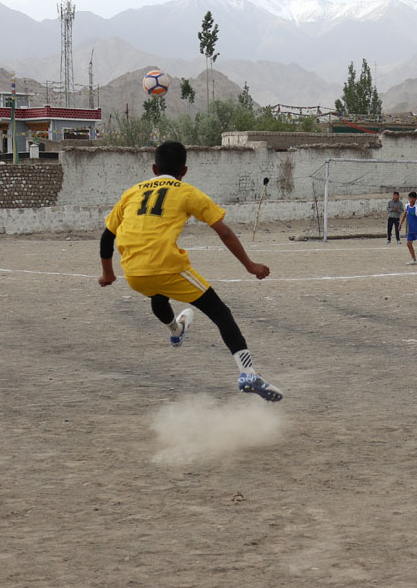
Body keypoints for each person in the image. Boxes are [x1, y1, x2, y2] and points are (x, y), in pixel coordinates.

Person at [98, 141, 283, 402]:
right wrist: (250, 266)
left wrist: (108, 274)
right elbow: (225, 232)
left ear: (154, 168)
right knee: (219, 312)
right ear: (184, 170)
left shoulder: (131, 193)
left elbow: (107, 238)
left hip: (133, 273)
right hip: (167, 267)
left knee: (158, 295)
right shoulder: (187, 192)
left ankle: (175, 330)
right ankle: (248, 372)